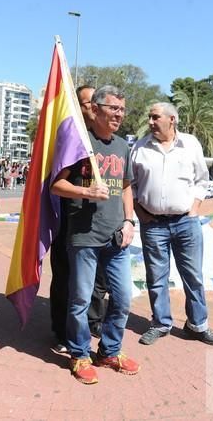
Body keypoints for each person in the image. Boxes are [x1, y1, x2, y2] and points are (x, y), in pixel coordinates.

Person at [51, 85, 139, 384]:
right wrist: (86, 191)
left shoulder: (123, 147)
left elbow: (126, 186)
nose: (119, 115)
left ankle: (110, 350)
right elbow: (56, 185)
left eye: (122, 110)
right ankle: (79, 354)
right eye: (114, 109)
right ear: (96, 108)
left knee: (123, 297)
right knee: (80, 299)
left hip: (116, 237)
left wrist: (129, 221)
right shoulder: (78, 142)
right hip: (84, 236)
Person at [131, 102, 213, 347]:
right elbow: (132, 186)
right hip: (153, 224)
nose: (150, 121)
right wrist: (140, 213)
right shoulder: (140, 147)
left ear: (172, 119)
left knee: (193, 276)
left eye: (155, 117)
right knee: (156, 277)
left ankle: (197, 325)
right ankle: (160, 323)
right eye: (149, 117)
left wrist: (194, 209)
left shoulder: (190, 144)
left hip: (185, 223)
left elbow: (202, 180)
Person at [49, 85, 106, 354]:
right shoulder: (68, 138)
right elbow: (55, 181)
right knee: (65, 276)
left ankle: (93, 321)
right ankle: (62, 330)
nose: (94, 108)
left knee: (96, 278)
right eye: (87, 104)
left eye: (97, 103)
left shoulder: (108, 140)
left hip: (97, 223)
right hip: (68, 220)